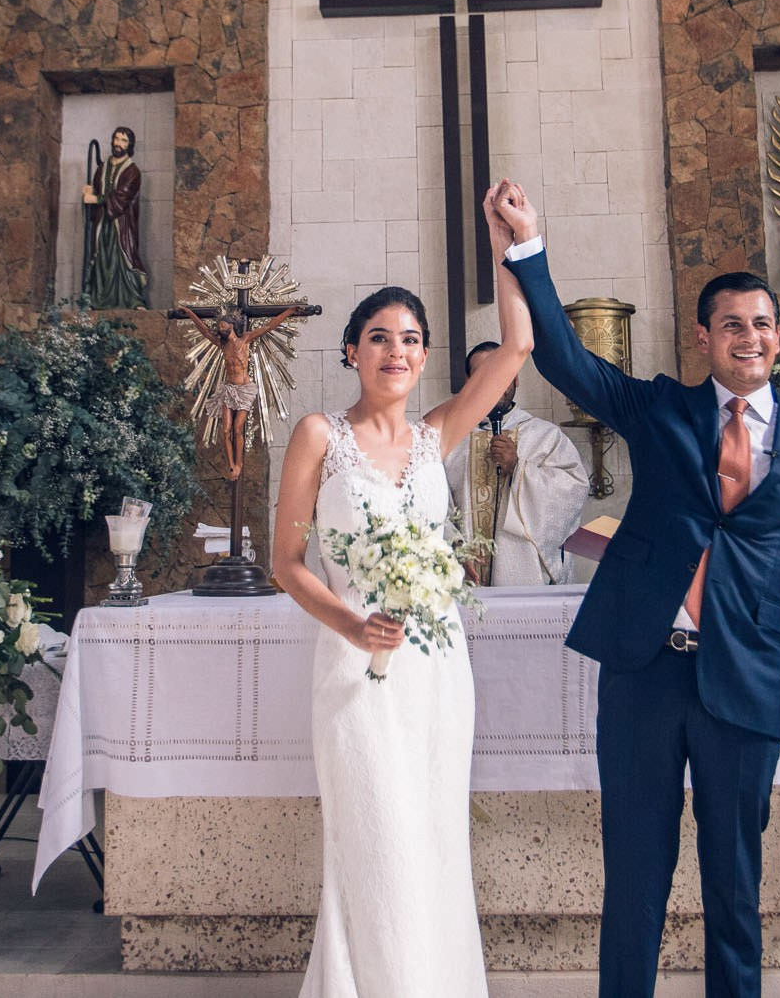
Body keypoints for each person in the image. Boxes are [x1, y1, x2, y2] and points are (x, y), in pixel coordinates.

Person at [492, 180, 780, 998]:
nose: (749, 337)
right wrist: (528, 248)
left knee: (735, 888)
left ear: (779, 336)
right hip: (645, 672)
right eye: (732, 324)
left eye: (762, 323)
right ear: (704, 337)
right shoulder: (661, 409)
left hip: (746, 682)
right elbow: (565, 360)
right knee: (635, 880)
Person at [269, 185, 535, 998]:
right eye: (379, 337)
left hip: (434, 669)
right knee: (374, 838)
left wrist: (507, 244)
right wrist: (352, 624)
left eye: (411, 339)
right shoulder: (319, 435)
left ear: (424, 358)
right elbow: (287, 562)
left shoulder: (437, 435)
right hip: (354, 669)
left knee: (430, 839)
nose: (396, 349)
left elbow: (518, 344)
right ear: (351, 351)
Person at [443, 340, 589, 585]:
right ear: (468, 381)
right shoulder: (451, 440)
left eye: (501, 372)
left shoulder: (545, 437)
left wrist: (519, 469)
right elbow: (436, 506)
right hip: (463, 579)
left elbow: (574, 491)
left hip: (525, 579)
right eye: (482, 374)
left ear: (516, 378)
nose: (493, 382)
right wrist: (455, 547)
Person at [177, 304, 308, 481]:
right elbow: (205, 331)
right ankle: (231, 465)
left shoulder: (245, 339)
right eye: (219, 326)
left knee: (238, 428)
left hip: (244, 390)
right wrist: (189, 313)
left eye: (223, 325)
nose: (220, 328)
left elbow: (269, 326)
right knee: (226, 431)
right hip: (229, 390)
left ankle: (239, 463)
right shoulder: (222, 344)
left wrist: (289, 311)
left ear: (231, 325)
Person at [82, 126, 148, 308]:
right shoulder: (103, 167)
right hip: (102, 222)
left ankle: (133, 299)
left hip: (122, 224)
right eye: (117, 139)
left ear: (129, 145)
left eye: (123, 140)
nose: (119, 143)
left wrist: (95, 198)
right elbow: (98, 188)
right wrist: (90, 192)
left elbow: (122, 198)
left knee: (123, 258)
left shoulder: (132, 171)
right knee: (100, 258)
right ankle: (97, 301)